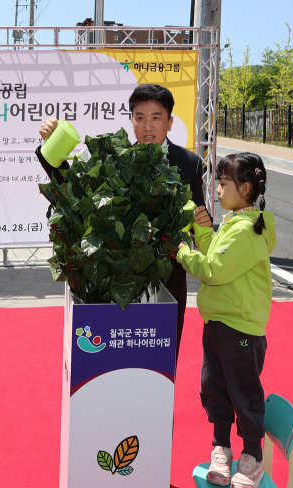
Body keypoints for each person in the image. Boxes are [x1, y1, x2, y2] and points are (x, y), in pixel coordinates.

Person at [36, 83, 209, 364]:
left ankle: (161, 409)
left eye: (156, 118)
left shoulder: (188, 162)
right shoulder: (115, 158)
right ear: (131, 121)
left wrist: (202, 224)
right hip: (119, 279)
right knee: (121, 360)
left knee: (163, 361)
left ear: (169, 122)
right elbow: (77, 191)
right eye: (140, 118)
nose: (148, 126)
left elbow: (198, 214)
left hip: (169, 279)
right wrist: (51, 145)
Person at [176, 152, 275, 488]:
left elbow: (213, 270)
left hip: (240, 328)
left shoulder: (246, 231)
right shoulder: (234, 223)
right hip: (219, 323)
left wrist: (180, 251)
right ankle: (221, 448)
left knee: (243, 393)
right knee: (215, 387)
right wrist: (202, 231)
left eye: (222, 184)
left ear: (244, 187)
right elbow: (214, 253)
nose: (216, 190)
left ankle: (252, 457)